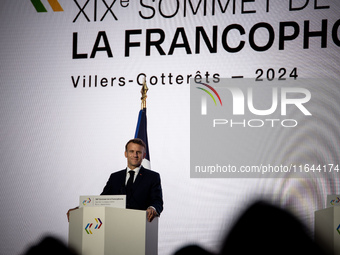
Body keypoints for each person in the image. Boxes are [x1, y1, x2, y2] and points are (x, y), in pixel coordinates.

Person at [67, 138, 163, 222]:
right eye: (131, 151)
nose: (135, 155)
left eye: (139, 152)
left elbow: (157, 201)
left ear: (144, 155)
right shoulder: (115, 177)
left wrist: (152, 208)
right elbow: (101, 200)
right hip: (114, 225)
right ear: (126, 154)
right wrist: (79, 209)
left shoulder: (153, 177)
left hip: (140, 225)